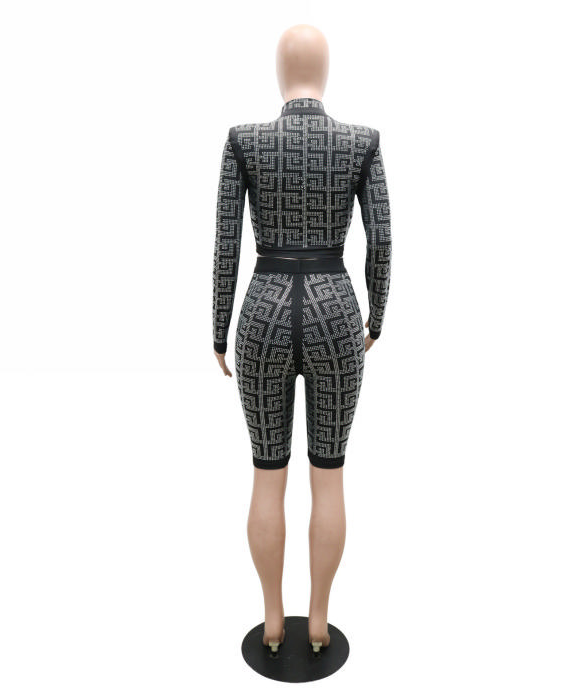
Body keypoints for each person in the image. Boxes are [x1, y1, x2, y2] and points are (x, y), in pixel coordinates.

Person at [211, 24, 392, 654]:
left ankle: (271, 620)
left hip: (262, 309)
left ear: (279, 72)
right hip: (334, 311)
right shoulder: (361, 142)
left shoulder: (245, 141)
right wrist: (376, 317)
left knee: (267, 473)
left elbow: (226, 244)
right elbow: (382, 239)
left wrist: (217, 328)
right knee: (329, 473)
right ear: (326, 70)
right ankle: (317, 620)